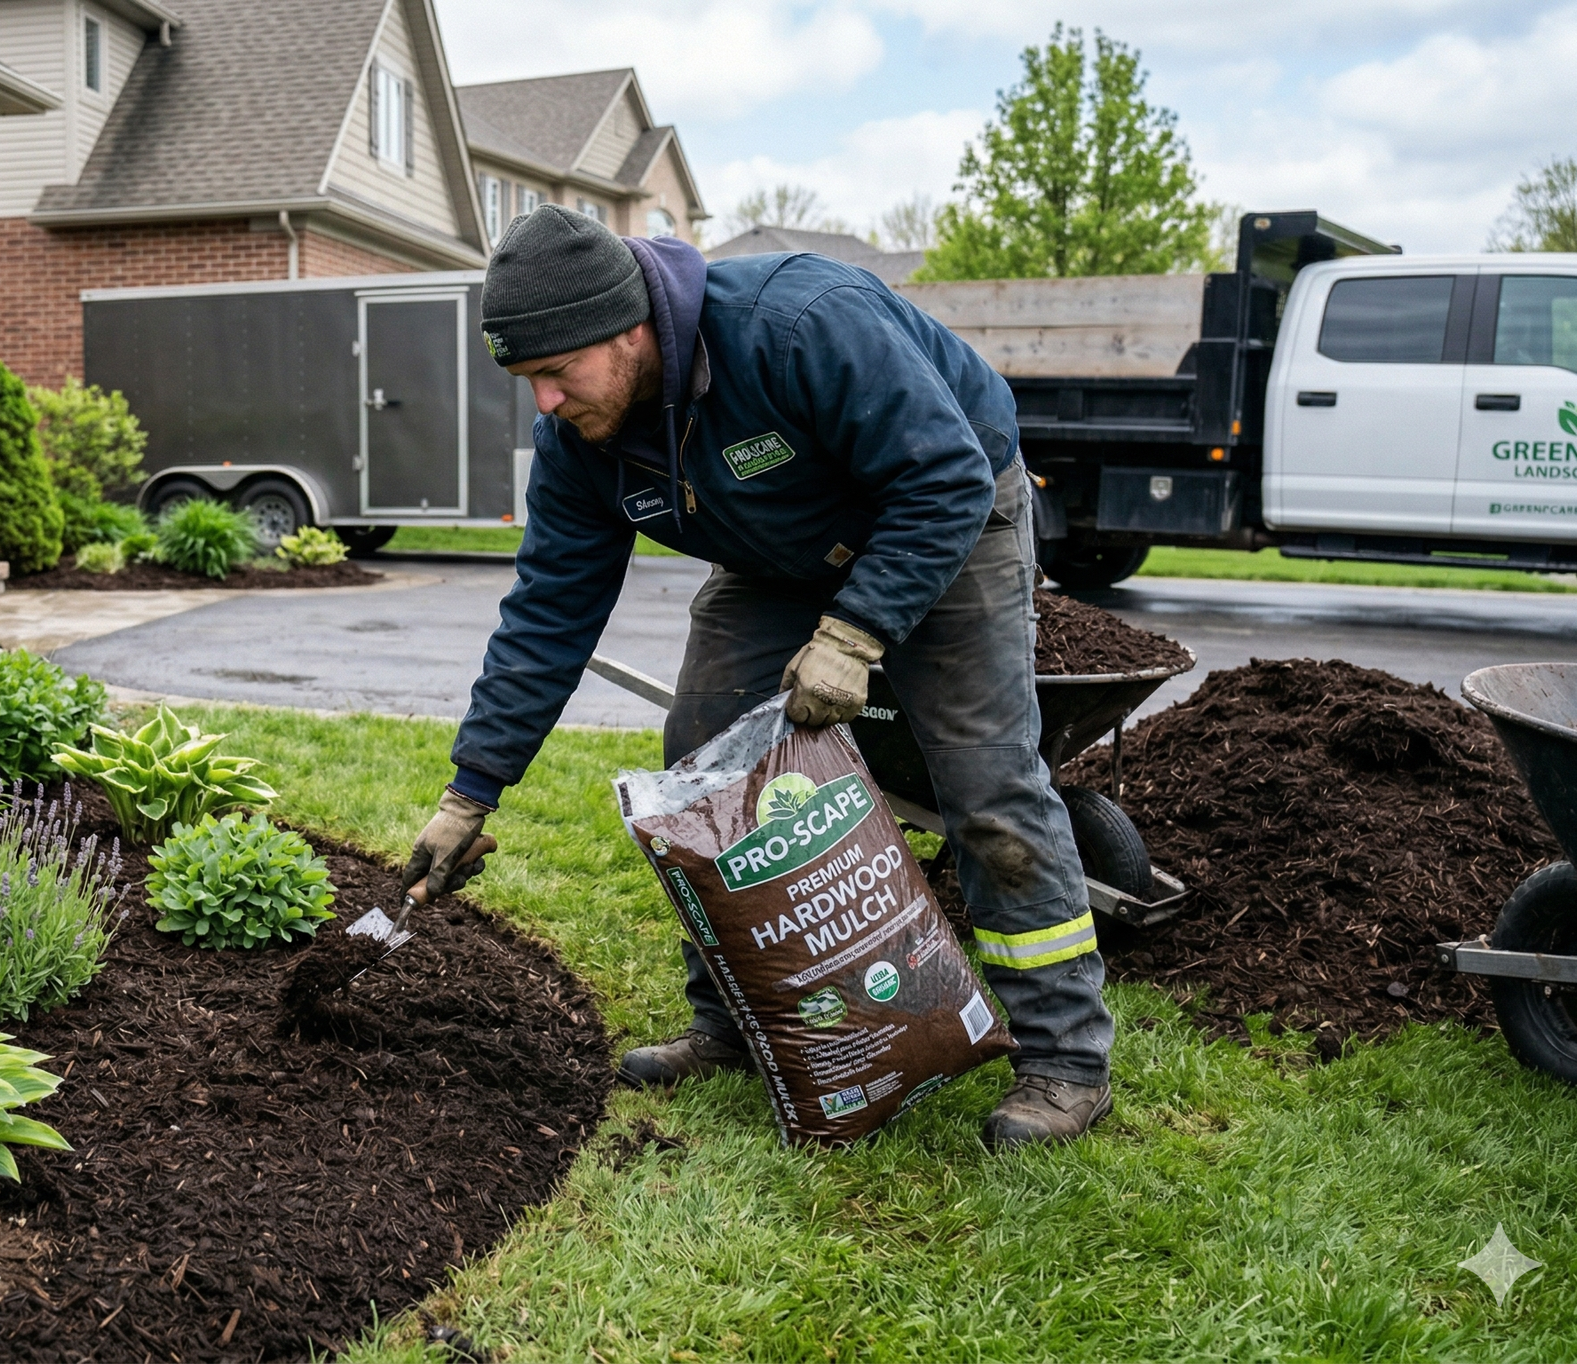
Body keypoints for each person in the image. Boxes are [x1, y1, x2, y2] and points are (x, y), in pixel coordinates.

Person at [400, 205, 1116, 1150]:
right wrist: (470, 791)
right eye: (524, 380)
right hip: (778, 555)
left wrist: (855, 635)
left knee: (985, 784)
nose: (544, 404)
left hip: (951, 510)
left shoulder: (799, 322)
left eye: (553, 373)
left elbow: (943, 475)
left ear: (627, 333)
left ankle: (1065, 1058)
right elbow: (546, 615)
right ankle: (734, 1023)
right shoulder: (585, 442)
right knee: (700, 772)